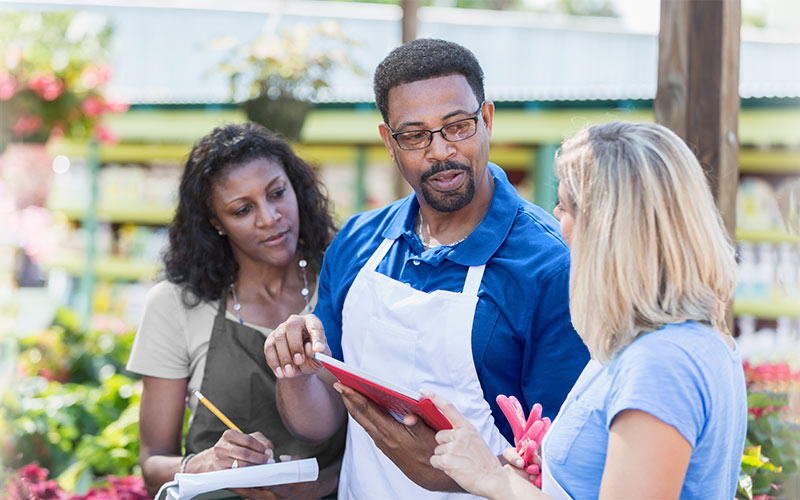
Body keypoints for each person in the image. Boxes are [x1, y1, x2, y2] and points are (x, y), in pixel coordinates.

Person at [262, 38, 589, 499]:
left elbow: (566, 465)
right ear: (388, 143)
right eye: (414, 135)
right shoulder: (358, 242)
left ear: (487, 121)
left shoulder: (551, 265)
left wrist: (437, 471)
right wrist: (296, 372)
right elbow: (321, 421)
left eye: (457, 126)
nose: (440, 151)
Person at [426, 121, 748, 500]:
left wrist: (493, 479)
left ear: (605, 229)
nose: (556, 217)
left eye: (563, 205)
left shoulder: (660, 361)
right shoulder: (676, 340)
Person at [126, 122, 346, 498]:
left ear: (297, 187)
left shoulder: (346, 282)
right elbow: (152, 466)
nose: (269, 217)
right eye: (243, 209)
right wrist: (199, 465)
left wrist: (316, 486)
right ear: (215, 223)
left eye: (277, 193)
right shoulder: (173, 304)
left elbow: (384, 439)